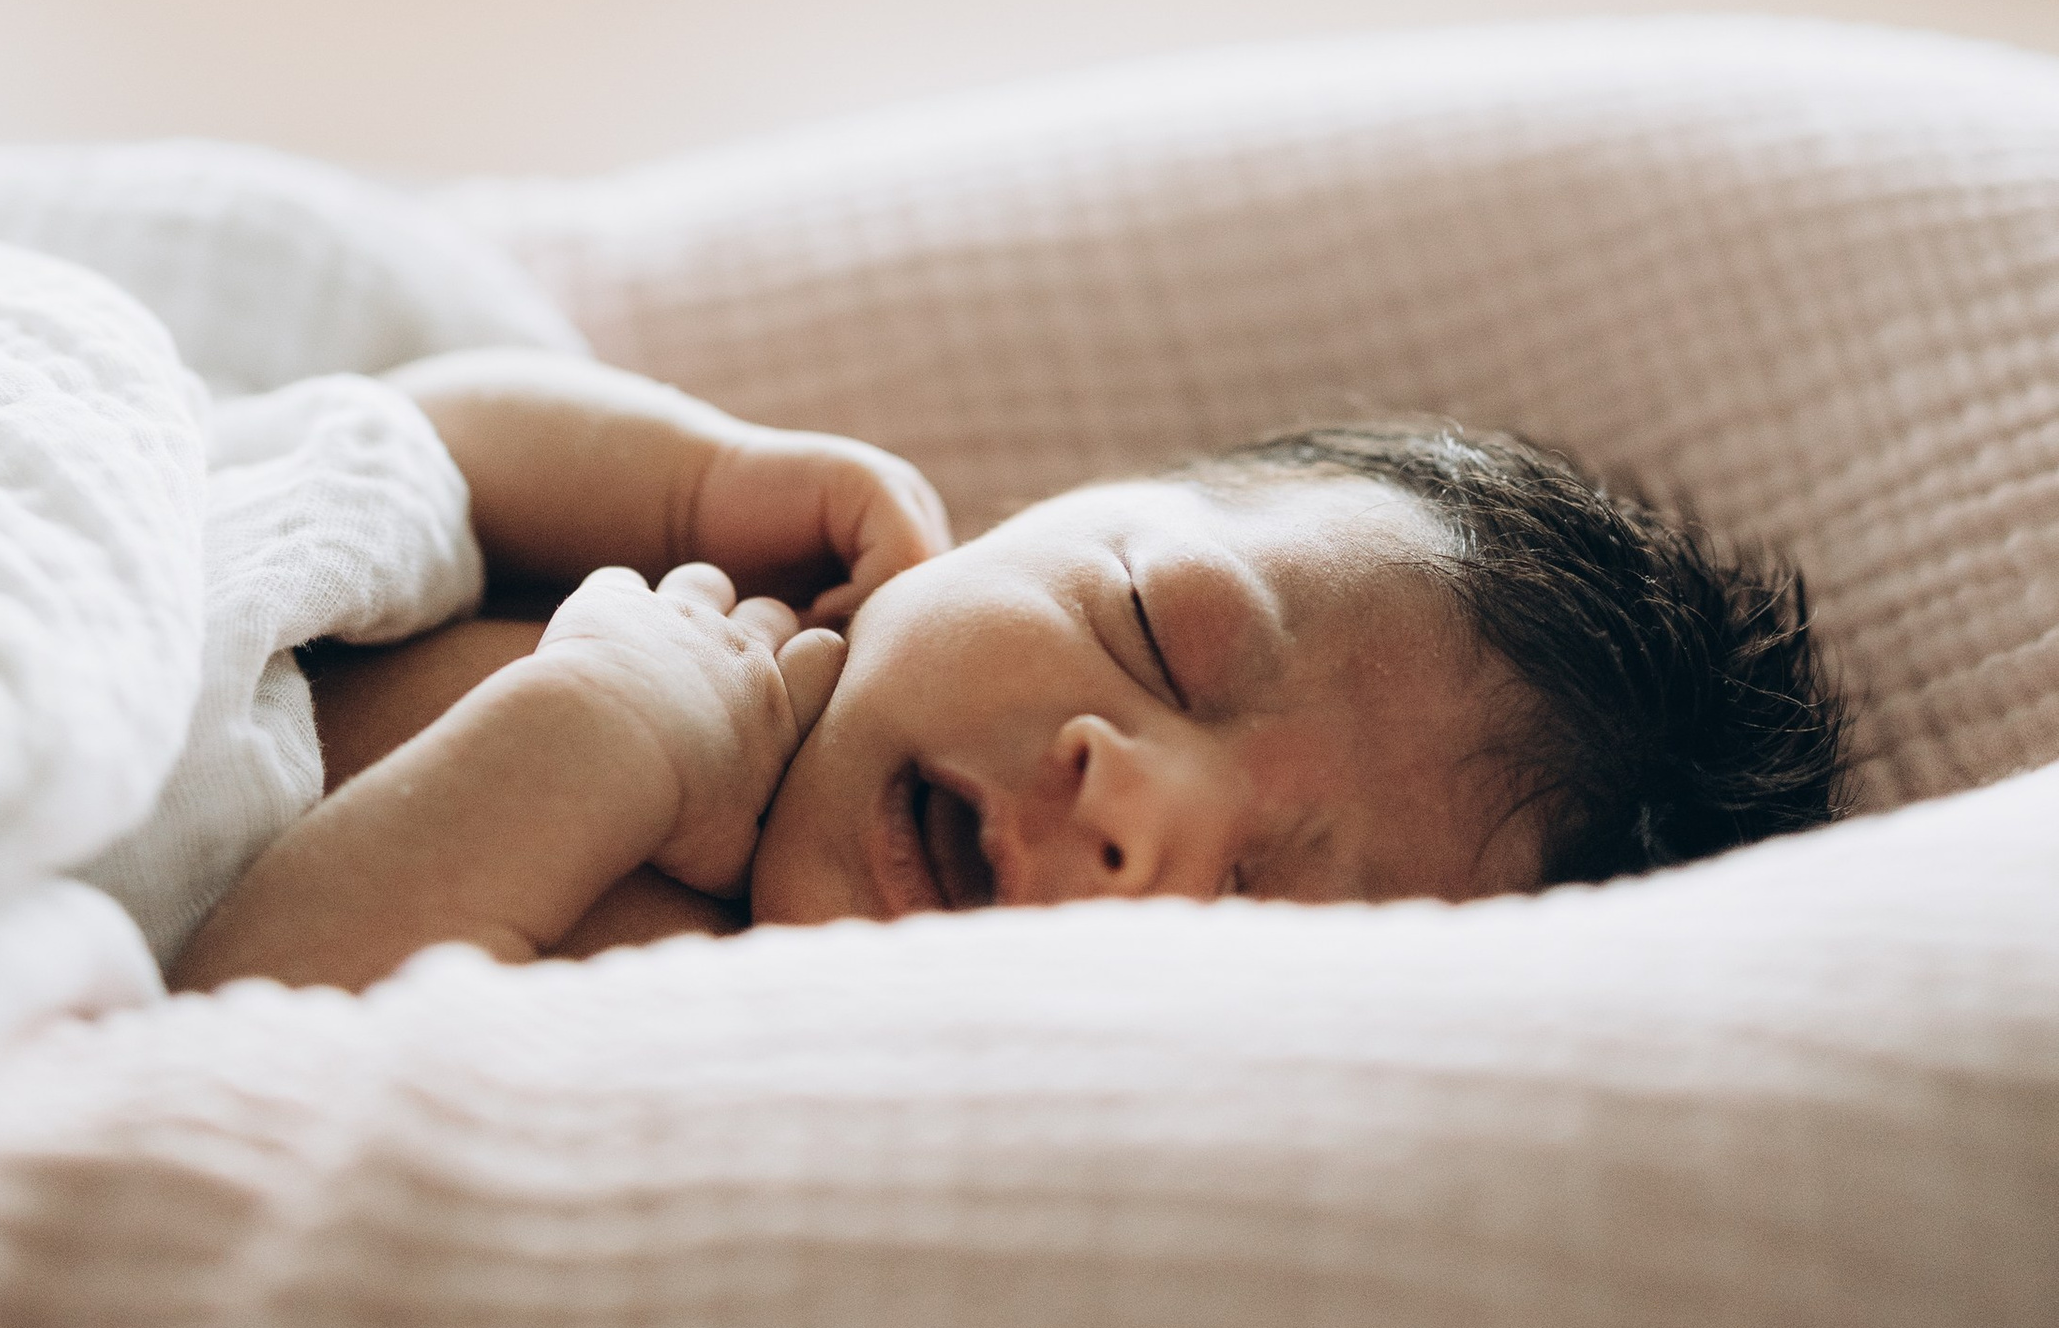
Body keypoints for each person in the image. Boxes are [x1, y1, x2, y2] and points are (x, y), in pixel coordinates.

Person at [171, 347, 1848, 995]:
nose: (1133, 798)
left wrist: (600, 732)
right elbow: (385, 452)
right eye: (1158, 632)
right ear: (1036, 517)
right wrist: (691, 482)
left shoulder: (698, 980)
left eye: (1257, 896)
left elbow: (250, 1011)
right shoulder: (769, 595)